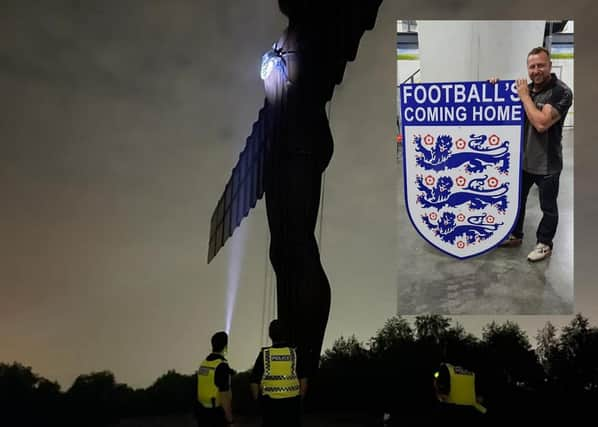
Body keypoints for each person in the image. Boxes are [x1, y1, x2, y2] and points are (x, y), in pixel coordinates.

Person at [493, 46, 573, 262]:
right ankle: (515, 235)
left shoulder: (561, 92)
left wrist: (524, 97)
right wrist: (493, 88)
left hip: (547, 162)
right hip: (522, 160)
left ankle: (545, 243)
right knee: (516, 201)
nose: (536, 70)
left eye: (540, 65)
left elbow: (541, 123)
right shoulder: (527, 89)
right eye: (532, 66)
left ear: (549, 65)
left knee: (548, 206)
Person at [250, 320, 308, 427]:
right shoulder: (294, 353)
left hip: (270, 406)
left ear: (270, 335)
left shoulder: (264, 354)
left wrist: (259, 401)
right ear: (285, 334)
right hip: (292, 405)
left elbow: (254, 381)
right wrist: (299, 400)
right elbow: (303, 380)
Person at [195, 331, 235, 427]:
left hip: (202, 413)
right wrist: (230, 420)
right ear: (225, 346)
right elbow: (224, 396)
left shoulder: (204, 364)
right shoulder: (221, 365)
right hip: (216, 415)